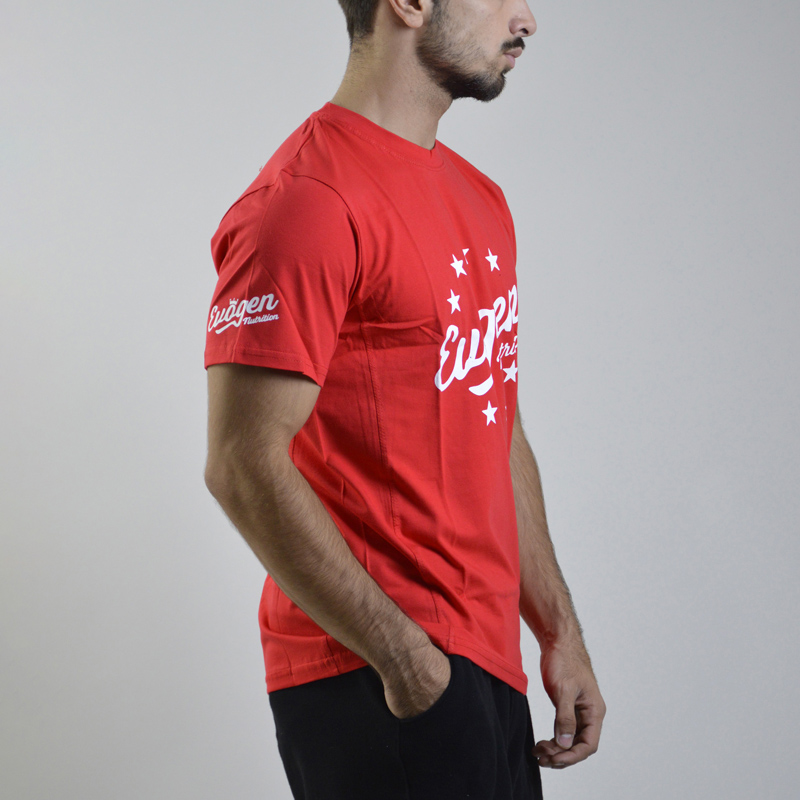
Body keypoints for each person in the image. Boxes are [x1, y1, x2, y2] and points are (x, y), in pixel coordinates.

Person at [203, 0, 606, 797]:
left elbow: (494, 417)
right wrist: (407, 663)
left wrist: (558, 630)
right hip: (375, 671)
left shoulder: (480, 198)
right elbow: (241, 464)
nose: (527, 18)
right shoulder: (306, 201)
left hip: (485, 665)